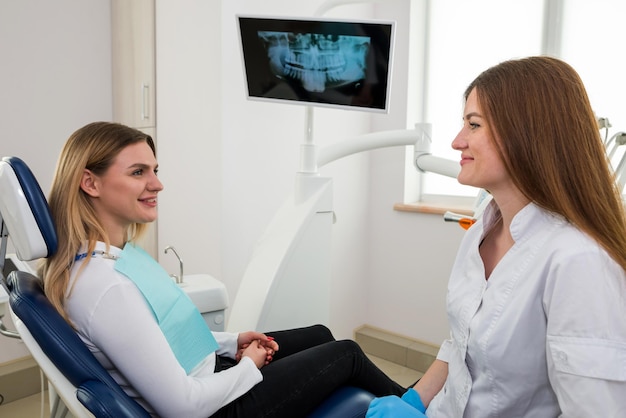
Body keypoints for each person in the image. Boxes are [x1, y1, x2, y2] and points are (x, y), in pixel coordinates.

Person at [40, 121, 406, 418]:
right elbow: (182, 406)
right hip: (213, 411)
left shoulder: (110, 259)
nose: (157, 184)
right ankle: (425, 409)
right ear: (90, 182)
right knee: (346, 354)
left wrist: (233, 343)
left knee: (320, 334)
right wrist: (247, 366)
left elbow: (156, 339)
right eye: (138, 172)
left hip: (204, 375)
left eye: (155, 170)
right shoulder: (106, 287)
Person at [367, 56, 626, 417]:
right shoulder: (480, 233)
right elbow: (462, 343)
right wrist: (415, 400)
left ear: (528, 133)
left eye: (474, 125)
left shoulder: (579, 261)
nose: (458, 142)